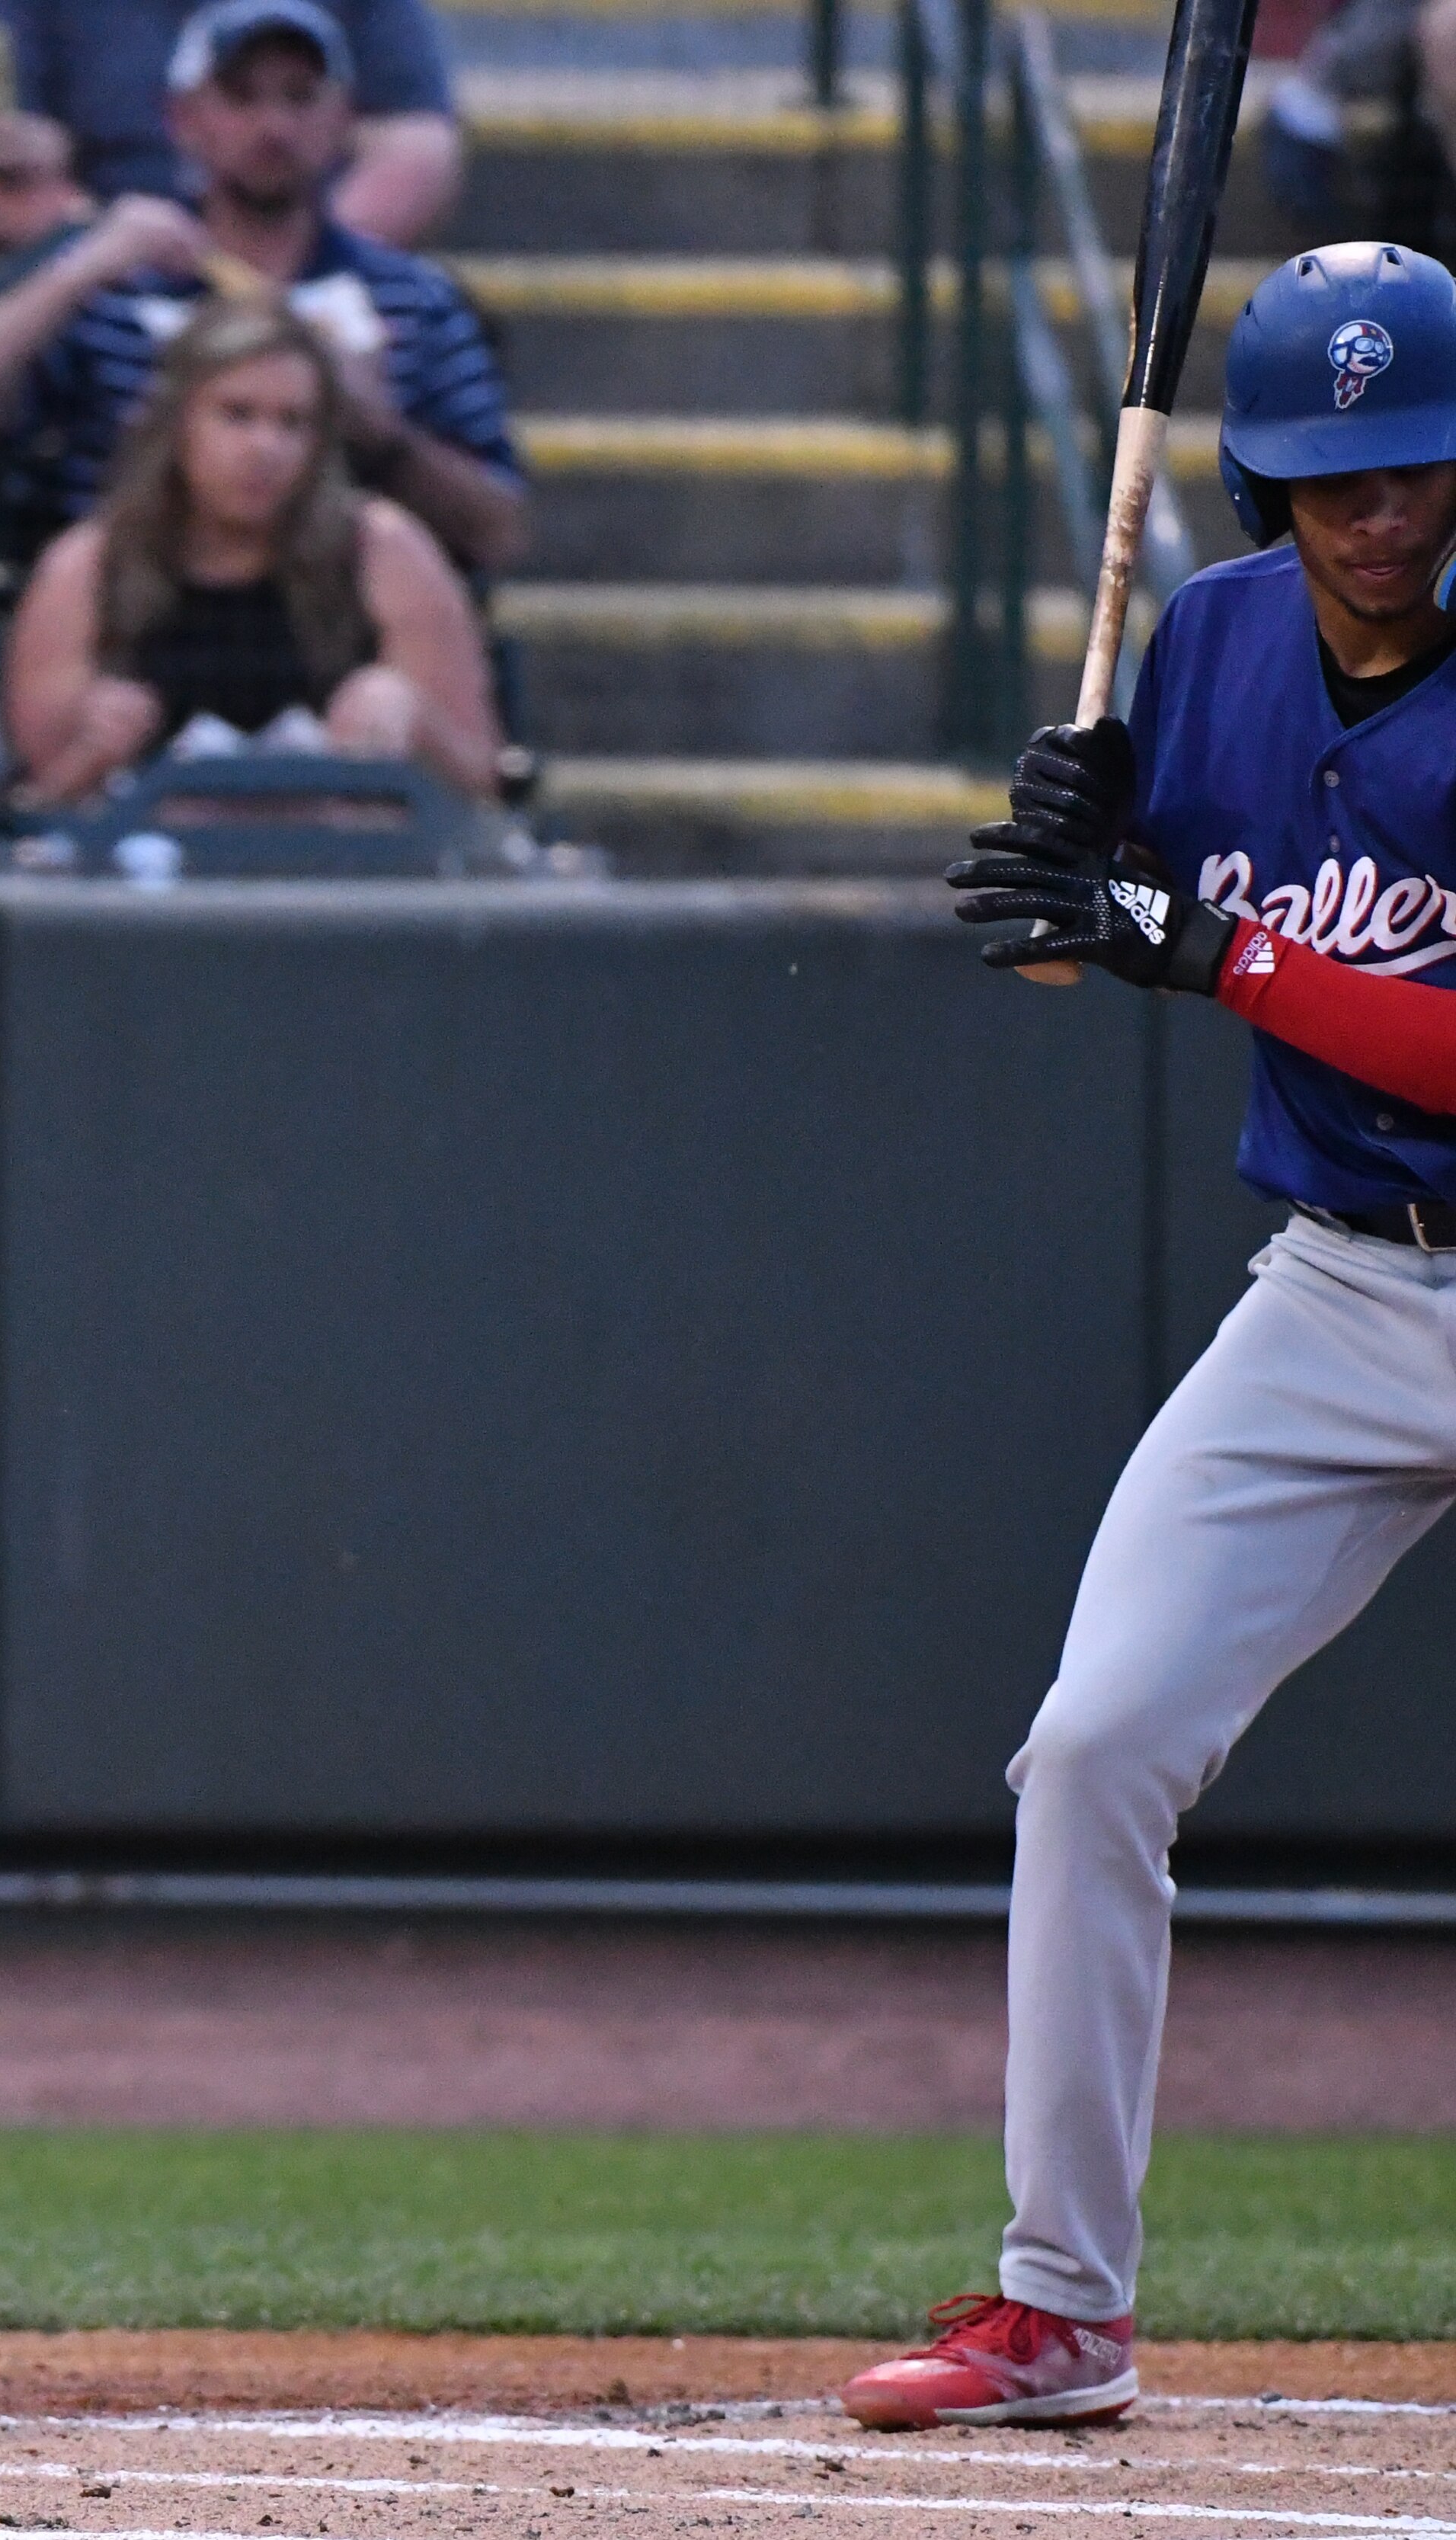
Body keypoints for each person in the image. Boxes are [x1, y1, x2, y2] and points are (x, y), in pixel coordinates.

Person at [868, 242, 1456, 2434]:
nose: (1377, 515)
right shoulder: (1206, 639)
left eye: (1415, 469)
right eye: (1333, 478)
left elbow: (1273, 970)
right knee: (1099, 1743)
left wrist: (1207, 947)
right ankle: (1059, 2307)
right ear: (1260, 486)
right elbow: (1089, 930)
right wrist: (1074, 851)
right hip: (1347, 1280)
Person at [0, 0, 523, 578]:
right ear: (184, 118)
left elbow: (500, 532)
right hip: (131, 610)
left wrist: (384, 436)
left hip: (341, 615)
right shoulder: (117, 289)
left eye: (300, 97)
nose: (273, 126)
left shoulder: (412, 302)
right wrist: (75, 265)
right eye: (242, 96)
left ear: (343, 119)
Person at [2, 297, 494, 804]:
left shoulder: (382, 547)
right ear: (176, 424)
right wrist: (94, 751)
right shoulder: (90, 562)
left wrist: (414, 723)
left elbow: (483, 782)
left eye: (292, 423)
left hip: (344, 842)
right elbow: (32, 806)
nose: (265, 448)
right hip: (151, 843)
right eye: (237, 415)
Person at [0, 0, 463, 252]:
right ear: (180, 116)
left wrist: (297, 260)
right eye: (241, 94)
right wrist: (93, 241)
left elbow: (418, 149)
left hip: (302, 277)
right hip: (90, 276)